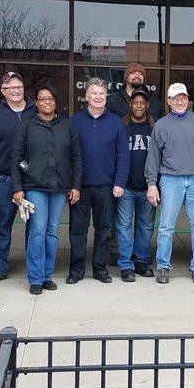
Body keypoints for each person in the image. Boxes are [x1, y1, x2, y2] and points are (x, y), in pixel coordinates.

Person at [145, 82, 194, 284]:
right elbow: (153, 157)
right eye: (175, 98)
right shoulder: (161, 125)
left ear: (188, 99)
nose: (180, 101)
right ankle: (163, 266)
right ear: (169, 101)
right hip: (170, 179)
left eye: (183, 97)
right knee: (166, 226)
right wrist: (152, 183)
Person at [12, 85, 82, 294]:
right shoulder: (27, 125)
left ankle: (46, 276)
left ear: (55, 101)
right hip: (35, 186)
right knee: (38, 231)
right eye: (43, 99)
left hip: (60, 187)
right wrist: (18, 188)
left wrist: (75, 185)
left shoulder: (67, 126)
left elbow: (76, 157)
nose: (47, 102)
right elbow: (16, 157)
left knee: (52, 233)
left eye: (50, 99)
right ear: (37, 102)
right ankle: (35, 278)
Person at [68, 78, 129, 284]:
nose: (98, 97)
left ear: (106, 97)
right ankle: (76, 270)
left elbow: (123, 155)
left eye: (102, 94)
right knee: (78, 230)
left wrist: (120, 182)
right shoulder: (74, 122)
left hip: (107, 186)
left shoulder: (116, 122)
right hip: (80, 186)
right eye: (94, 93)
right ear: (86, 96)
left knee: (104, 230)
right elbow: (68, 154)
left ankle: (100, 269)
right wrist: (71, 184)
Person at [0, 72, 35, 283]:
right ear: (3, 91)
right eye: (11, 87)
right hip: (4, 178)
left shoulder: (35, 111)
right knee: (3, 225)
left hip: (32, 178)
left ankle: (34, 266)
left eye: (19, 86)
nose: (16, 90)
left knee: (34, 225)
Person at [116, 86, 156, 282]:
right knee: (123, 225)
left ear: (147, 105)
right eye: (135, 102)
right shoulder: (121, 126)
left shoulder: (155, 127)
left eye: (142, 103)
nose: (139, 106)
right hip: (126, 186)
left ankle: (141, 261)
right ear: (130, 104)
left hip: (148, 186)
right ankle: (125, 264)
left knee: (146, 226)